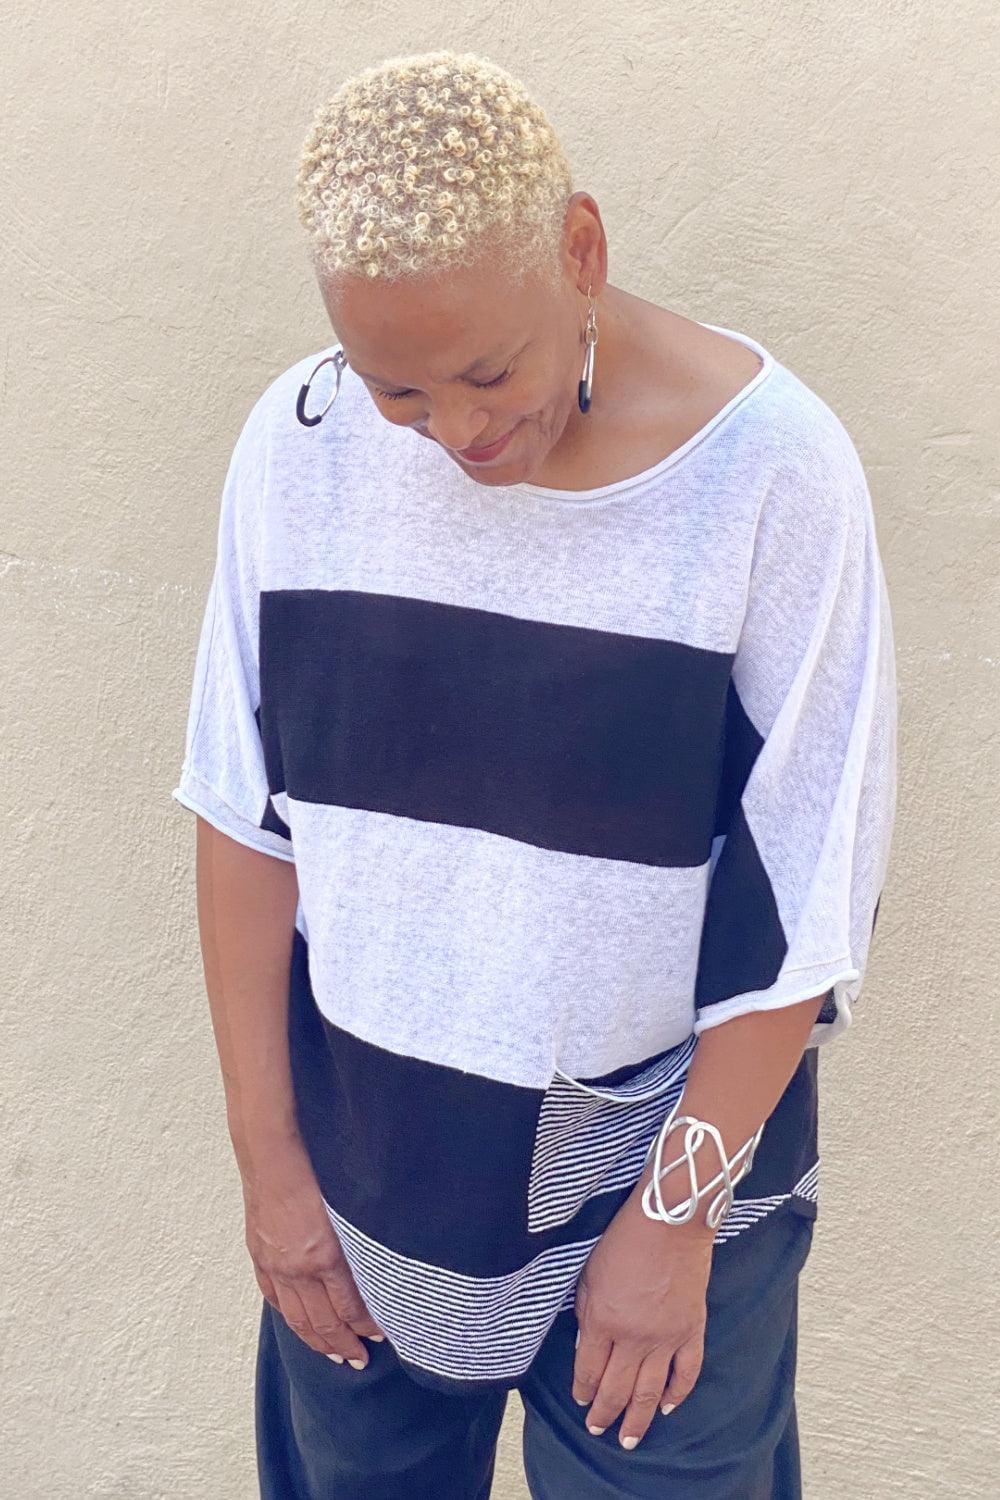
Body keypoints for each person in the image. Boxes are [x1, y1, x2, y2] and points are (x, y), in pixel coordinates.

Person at [170, 48, 898, 1500]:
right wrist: (272, 1175)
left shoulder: (771, 473)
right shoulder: (295, 451)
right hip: (367, 1179)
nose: (455, 434)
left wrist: (674, 1222)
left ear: (580, 249)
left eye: (488, 371)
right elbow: (249, 823)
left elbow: (813, 906)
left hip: (663, 1180)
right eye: (396, 391)